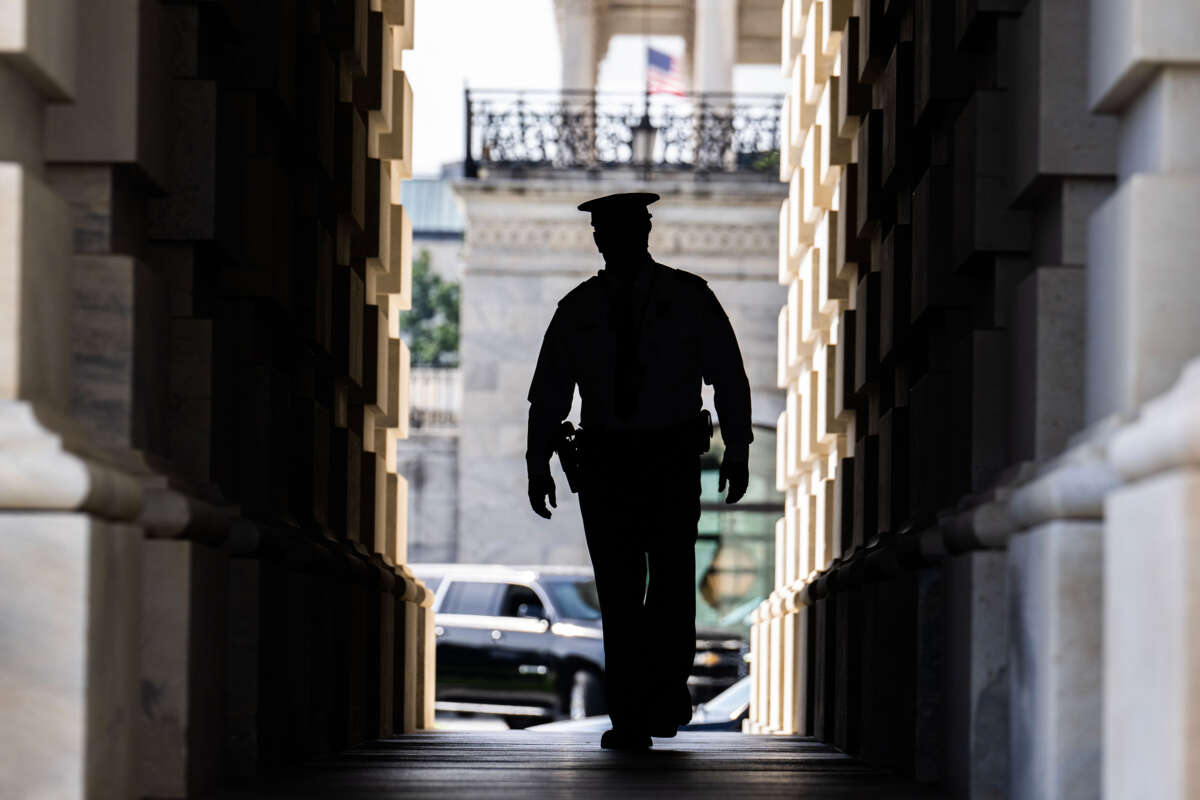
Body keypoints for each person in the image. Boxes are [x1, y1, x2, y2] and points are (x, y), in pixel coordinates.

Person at [525, 192, 753, 751]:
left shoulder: (688, 297)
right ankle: (632, 712)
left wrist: (740, 446)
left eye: (628, 229)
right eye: (609, 232)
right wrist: (537, 463)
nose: (617, 240)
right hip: (608, 463)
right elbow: (548, 397)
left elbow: (729, 376)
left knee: (672, 584)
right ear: (598, 239)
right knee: (621, 593)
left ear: (645, 232)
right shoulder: (579, 308)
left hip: (669, 459)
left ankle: (664, 688)